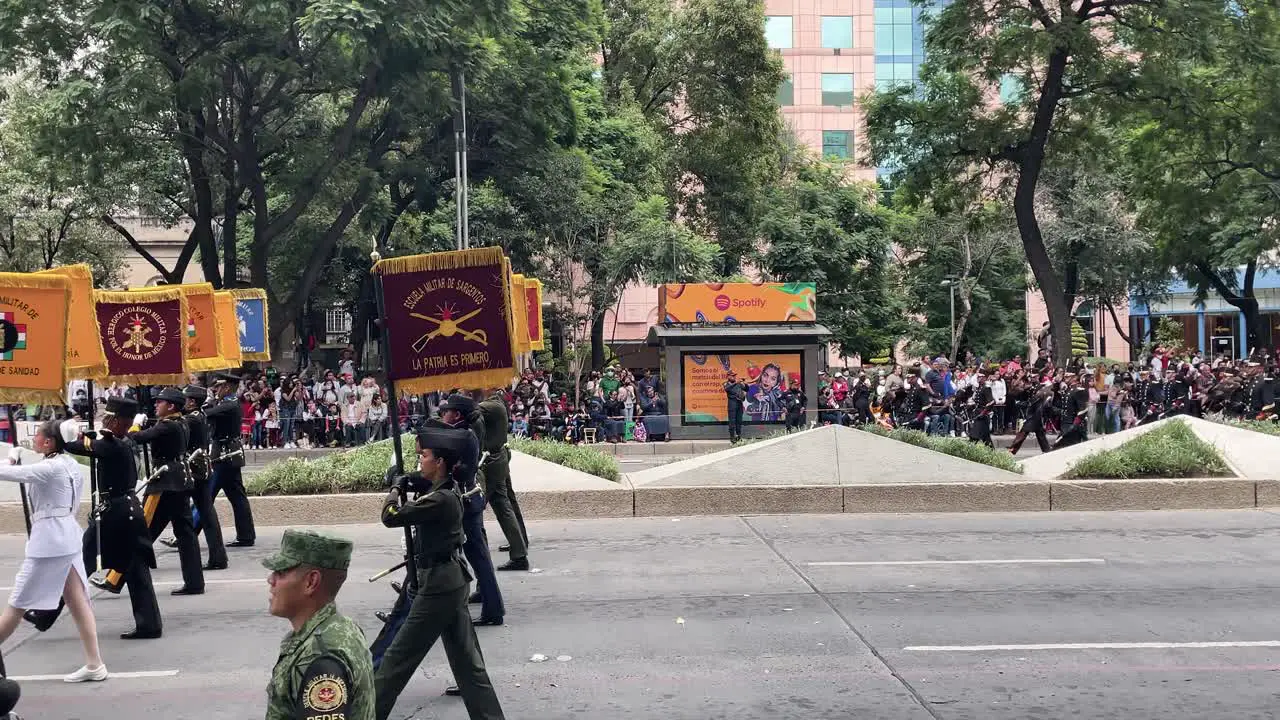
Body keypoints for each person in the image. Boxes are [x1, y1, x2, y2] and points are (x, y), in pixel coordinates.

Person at [374, 426, 506, 720]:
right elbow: (424, 484)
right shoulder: (442, 490)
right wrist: (409, 479)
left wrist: (395, 488)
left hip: (438, 588)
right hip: (450, 581)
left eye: (425, 455)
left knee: (396, 661)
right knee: (468, 667)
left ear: (441, 462)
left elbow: (390, 516)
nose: (420, 460)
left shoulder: (441, 499)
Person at [27, 397, 163, 639]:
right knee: (135, 571)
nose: (106, 421)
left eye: (110, 418)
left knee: (77, 564)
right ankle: (149, 624)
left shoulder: (113, 444)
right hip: (126, 513)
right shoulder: (121, 441)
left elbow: (79, 447)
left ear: (121, 422)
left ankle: (45, 614)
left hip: (116, 515)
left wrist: (63, 435)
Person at [0, 420, 107, 682]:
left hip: (49, 543)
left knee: (17, 604)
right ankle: (95, 664)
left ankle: (95, 664)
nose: (34, 439)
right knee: (77, 600)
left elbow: (8, 474)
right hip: (67, 536)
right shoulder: (69, 464)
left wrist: (11, 460)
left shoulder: (50, 468)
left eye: (38, 435)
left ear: (49, 443)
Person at [264, 529, 374, 720]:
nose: (271, 579)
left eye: (281, 572)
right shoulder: (341, 627)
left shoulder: (321, 657)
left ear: (311, 582)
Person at [437, 395, 504, 626]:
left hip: (467, 502)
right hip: (470, 500)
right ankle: (490, 603)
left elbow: (464, 471)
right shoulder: (462, 431)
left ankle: (493, 611)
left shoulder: (465, 434)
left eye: (447, 411)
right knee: (479, 557)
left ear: (456, 414)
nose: (442, 414)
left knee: (479, 558)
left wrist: (449, 468)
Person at [133, 387, 205, 596]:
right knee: (185, 534)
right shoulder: (181, 421)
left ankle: (119, 576)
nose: (156, 405)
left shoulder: (167, 425)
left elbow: (137, 438)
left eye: (160, 402)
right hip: (179, 480)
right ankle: (194, 582)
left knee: (142, 528)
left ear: (171, 406)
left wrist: (136, 423)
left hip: (164, 482)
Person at [476, 391, 529, 571]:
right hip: (497, 461)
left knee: (478, 509)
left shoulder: (491, 405)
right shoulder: (495, 403)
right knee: (504, 506)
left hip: (492, 464)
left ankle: (517, 552)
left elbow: (467, 412)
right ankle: (519, 551)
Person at [176, 385, 227, 570]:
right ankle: (218, 557)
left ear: (191, 402)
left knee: (204, 513)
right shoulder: (199, 415)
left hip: (195, 469)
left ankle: (217, 557)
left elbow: (177, 429)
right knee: (206, 513)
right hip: (201, 467)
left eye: (185, 399)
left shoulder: (192, 419)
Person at [206, 373, 256, 547]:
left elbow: (207, 413)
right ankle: (246, 535)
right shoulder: (226, 403)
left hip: (224, 456)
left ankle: (185, 533)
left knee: (206, 495)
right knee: (237, 496)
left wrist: (201, 405)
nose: (215, 390)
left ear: (226, 387)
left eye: (218, 387)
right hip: (228, 454)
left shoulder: (229, 404)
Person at [723, 371, 748, 442]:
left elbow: (747, 389)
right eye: (732, 376)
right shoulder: (726, 384)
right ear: (728, 376)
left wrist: (744, 383)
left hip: (739, 403)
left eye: (734, 376)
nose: (734, 377)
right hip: (732, 403)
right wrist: (736, 383)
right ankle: (732, 437)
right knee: (732, 421)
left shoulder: (738, 384)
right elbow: (727, 389)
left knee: (739, 421)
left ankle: (738, 436)